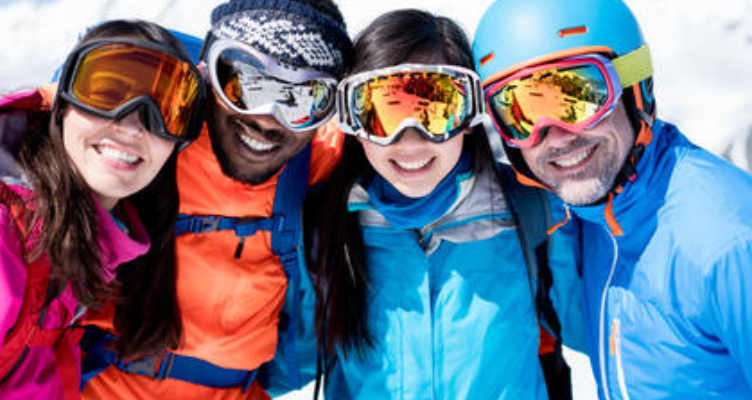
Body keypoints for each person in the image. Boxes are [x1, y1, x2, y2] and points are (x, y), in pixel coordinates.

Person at [473, 0, 752, 398]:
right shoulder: (587, 223)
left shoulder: (728, 241)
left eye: (579, 96)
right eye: (521, 112)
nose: (556, 135)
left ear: (634, 88)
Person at [79, 0, 353, 399]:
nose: (267, 117)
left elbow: (414, 152)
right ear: (208, 71)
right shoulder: (145, 131)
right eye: (245, 82)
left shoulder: (317, 165)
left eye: (302, 99)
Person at [304, 9, 582, 400]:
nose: (410, 140)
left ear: (469, 115)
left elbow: (601, 328)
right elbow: (278, 359)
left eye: (435, 110)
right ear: (352, 122)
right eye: (383, 113)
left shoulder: (533, 210)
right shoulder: (326, 228)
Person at [0, 19, 206, 400]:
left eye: (164, 110)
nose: (132, 126)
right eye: (106, 94)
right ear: (62, 102)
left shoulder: (89, 247)